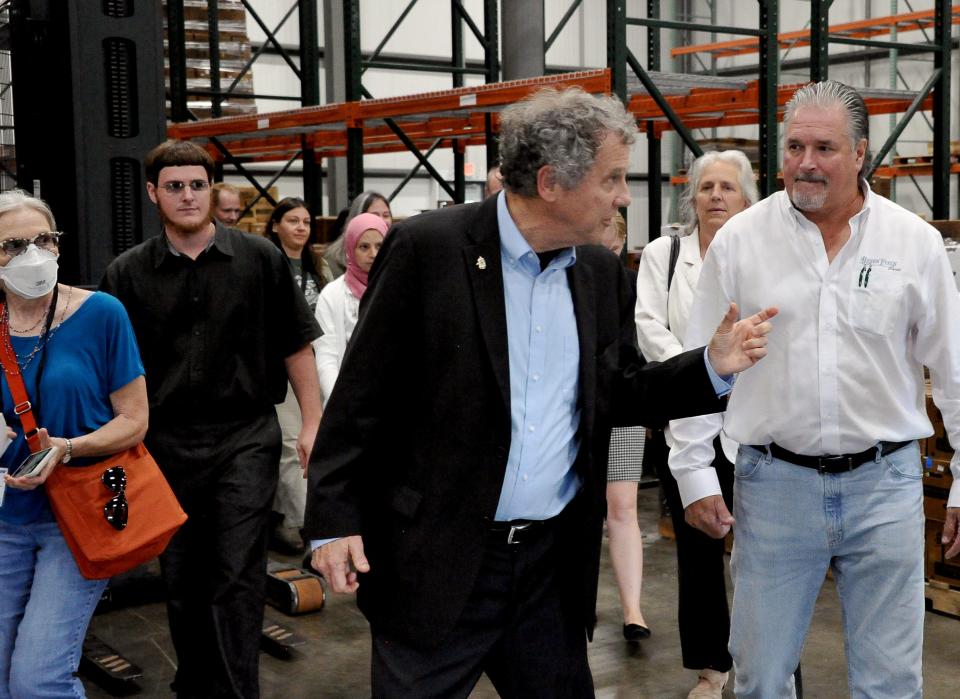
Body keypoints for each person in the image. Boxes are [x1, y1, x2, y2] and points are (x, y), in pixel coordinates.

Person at [304, 87, 776, 698]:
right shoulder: (431, 249)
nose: (621, 195)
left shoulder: (601, 273)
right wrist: (333, 520)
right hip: (437, 562)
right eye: (611, 178)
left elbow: (622, 391)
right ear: (552, 182)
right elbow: (362, 395)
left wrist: (710, 367)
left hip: (550, 572)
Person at [669, 80, 960, 698]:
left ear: (860, 154)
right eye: (796, 145)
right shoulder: (741, 242)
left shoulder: (914, 244)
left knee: (891, 683)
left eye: (824, 147)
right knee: (760, 680)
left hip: (886, 487)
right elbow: (700, 364)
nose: (806, 162)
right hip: (773, 487)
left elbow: (955, 371)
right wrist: (692, 472)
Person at [100, 139, 322, 699]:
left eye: (197, 185)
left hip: (244, 437)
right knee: (182, 576)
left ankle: (234, 691)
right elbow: (110, 368)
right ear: (154, 194)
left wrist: (315, 423)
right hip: (165, 444)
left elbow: (297, 347)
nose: (188, 196)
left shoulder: (260, 259)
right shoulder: (127, 274)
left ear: (211, 190)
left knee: (235, 576)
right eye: (174, 186)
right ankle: (196, 684)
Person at [0, 190, 148, 698]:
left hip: (77, 515)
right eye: (12, 245)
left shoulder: (101, 313)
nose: (31, 254)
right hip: (5, 518)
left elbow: (134, 420)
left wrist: (69, 447)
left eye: (43, 239)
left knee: (38, 679)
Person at [635, 150, 758, 698]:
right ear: (693, 198)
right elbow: (646, 326)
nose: (715, 196)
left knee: (764, 555)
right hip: (685, 414)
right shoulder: (666, 253)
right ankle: (712, 667)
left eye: (727, 187)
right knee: (698, 547)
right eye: (706, 187)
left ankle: (766, 664)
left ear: (746, 196)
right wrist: (700, 364)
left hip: (753, 420)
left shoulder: (762, 254)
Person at [264, 197, 330, 553]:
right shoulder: (268, 263)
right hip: (283, 365)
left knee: (312, 443)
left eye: (306, 221)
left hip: (318, 363)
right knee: (292, 445)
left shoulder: (316, 267)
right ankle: (301, 523)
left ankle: (292, 518)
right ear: (275, 225)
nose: (301, 228)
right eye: (293, 220)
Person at [599, 213, 652, 644]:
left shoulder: (631, 286)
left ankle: (633, 609)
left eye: (610, 238)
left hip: (623, 412)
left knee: (624, 508)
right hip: (581, 415)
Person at [313, 212, 388, 406]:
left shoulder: (400, 289)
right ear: (350, 249)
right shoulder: (332, 295)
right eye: (364, 247)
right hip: (348, 399)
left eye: (380, 246)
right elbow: (327, 355)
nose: (373, 254)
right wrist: (339, 403)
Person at [323, 191, 392, 278]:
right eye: (374, 215)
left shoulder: (396, 250)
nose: (382, 220)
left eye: (386, 215)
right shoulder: (334, 259)